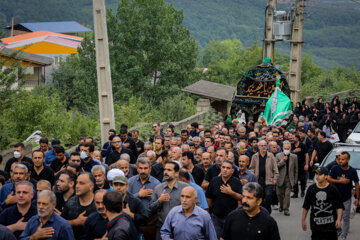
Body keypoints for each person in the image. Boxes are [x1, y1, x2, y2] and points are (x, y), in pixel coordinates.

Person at [150, 161, 189, 240]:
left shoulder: (185, 187)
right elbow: (151, 209)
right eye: (165, 170)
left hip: (181, 227)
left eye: (169, 170)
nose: (166, 172)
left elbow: (196, 205)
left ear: (177, 173)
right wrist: (159, 201)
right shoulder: (158, 188)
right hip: (163, 227)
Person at [302, 167, 344, 240]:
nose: (317, 176)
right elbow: (306, 206)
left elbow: (339, 206)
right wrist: (303, 220)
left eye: (320, 174)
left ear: (326, 176)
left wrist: (339, 219)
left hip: (330, 227)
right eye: (316, 174)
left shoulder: (333, 189)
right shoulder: (311, 189)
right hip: (316, 226)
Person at [206, 159, 243, 238]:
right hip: (216, 217)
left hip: (231, 218)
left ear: (232, 171)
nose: (225, 170)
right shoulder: (214, 181)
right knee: (215, 237)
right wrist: (209, 212)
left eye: (228, 168)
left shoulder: (236, 182)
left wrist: (231, 193)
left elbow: (242, 198)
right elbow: (209, 197)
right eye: (223, 167)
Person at [327, 151, 360, 240]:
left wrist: (357, 198)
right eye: (339, 159)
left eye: (343, 159)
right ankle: (337, 230)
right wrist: (340, 181)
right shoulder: (335, 168)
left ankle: (343, 237)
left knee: (345, 218)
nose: (340, 161)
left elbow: (357, 184)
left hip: (346, 199)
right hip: (334, 198)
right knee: (335, 217)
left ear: (348, 160)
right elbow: (328, 179)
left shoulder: (352, 171)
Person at [61, 172, 96, 239]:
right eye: (77, 182)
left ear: (91, 186)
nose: (77, 186)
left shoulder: (99, 203)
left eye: (81, 183)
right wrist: (75, 222)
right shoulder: (70, 203)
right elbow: (60, 224)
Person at [249, 140, 279, 214]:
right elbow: (251, 168)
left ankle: (268, 212)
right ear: (259, 147)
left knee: (268, 196)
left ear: (267, 146)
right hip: (258, 181)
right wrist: (253, 174)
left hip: (269, 180)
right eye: (261, 146)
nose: (263, 147)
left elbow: (275, 169)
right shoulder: (255, 156)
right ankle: (262, 213)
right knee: (260, 198)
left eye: (265, 145)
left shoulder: (271, 156)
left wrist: (275, 179)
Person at [276, 141, 298, 216]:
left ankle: (286, 209)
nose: (286, 150)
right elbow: (276, 167)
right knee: (279, 194)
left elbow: (296, 170)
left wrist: (295, 180)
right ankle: (281, 205)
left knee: (287, 195)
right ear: (282, 148)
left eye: (288, 148)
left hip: (289, 179)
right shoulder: (278, 156)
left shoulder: (294, 157)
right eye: (285, 148)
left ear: (290, 148)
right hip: (280, 178)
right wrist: (283, 161)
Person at [291, 133, 309, 198]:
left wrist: (306, 164)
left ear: (297, 138)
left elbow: (306, 155)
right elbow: (288, 153)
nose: (292, 139)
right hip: (293, 165)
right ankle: (295, 193)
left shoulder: (302, 145)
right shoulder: (291, 145)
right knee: (295, 179)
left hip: (301, 164)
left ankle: (303, 191)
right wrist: (294, 151)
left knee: (302, 179)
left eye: (293, 138)